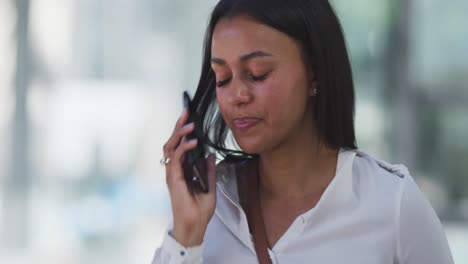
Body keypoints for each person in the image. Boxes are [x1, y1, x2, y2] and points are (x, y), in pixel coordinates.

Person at [153, 0, 454, 263]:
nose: (237, 95)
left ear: (315, 72)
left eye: (257, 73)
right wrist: (186, 236)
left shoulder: (393, 204)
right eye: (222, 78)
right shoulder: (210, 206)